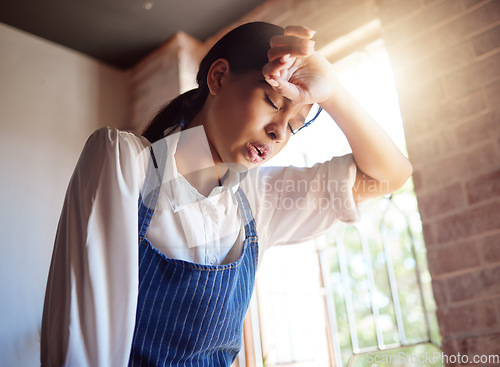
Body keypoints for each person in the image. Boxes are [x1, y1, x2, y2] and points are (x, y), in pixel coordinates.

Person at [41, 22, 412, 366]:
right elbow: (82, 345)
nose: (279, 132)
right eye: (273, 102)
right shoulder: (126, 162)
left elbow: (389, 176)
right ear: (218, 77)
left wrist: (333, 90)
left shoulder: (258, 200)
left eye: (294, 126)